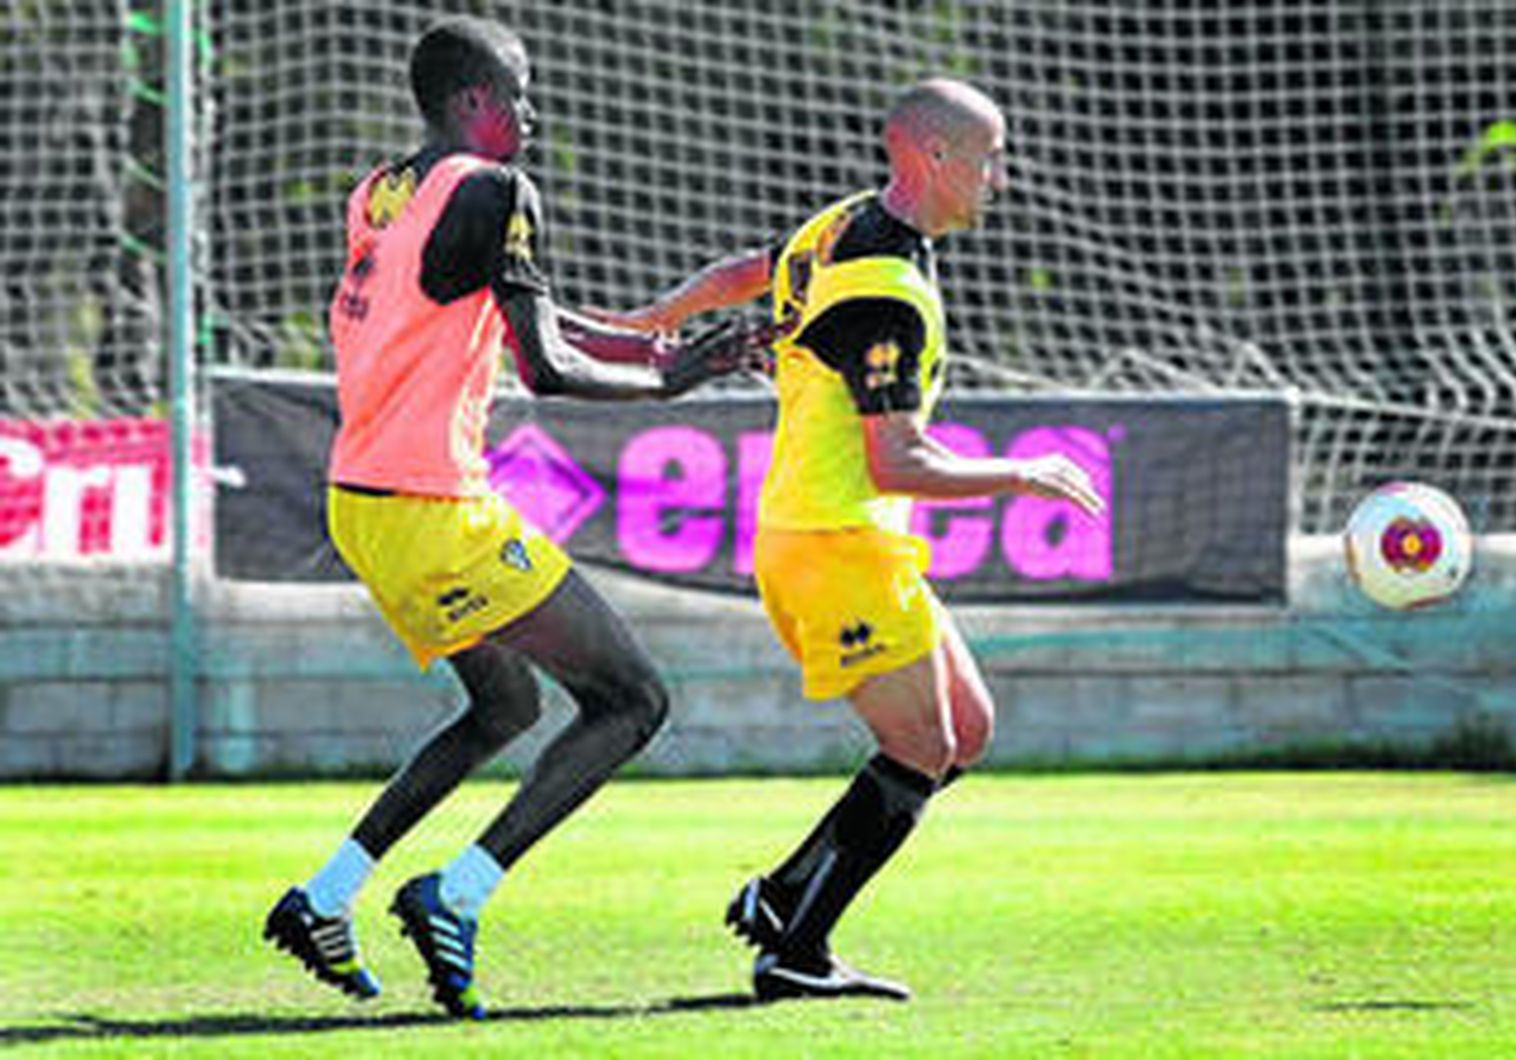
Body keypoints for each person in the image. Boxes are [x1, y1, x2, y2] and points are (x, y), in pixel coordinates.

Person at [262, 17, 771, 1020]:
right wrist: (672, 379)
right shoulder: (496, 190)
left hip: (362, 498)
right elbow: (543, 363)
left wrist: (663, 344)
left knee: (503, 707)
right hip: (431, 501)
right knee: (631, 700)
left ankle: (323, 896)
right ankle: (454, 892)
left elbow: (522, 314)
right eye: (519, 95)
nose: (531, 117)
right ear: (472, 102)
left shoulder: (382, 191)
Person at [593, 78, 1104, 1002]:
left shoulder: (848, 224)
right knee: (921, 745)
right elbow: (897, 462)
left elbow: (747, 270)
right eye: (988, 158)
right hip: (833, 537)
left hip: (842, 535)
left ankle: (784, 894)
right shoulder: (886, 289)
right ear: (933, 157)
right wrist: (1023, 474)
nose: (1001, 177)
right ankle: (797, 953)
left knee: (966, 732)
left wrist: (647, 325)